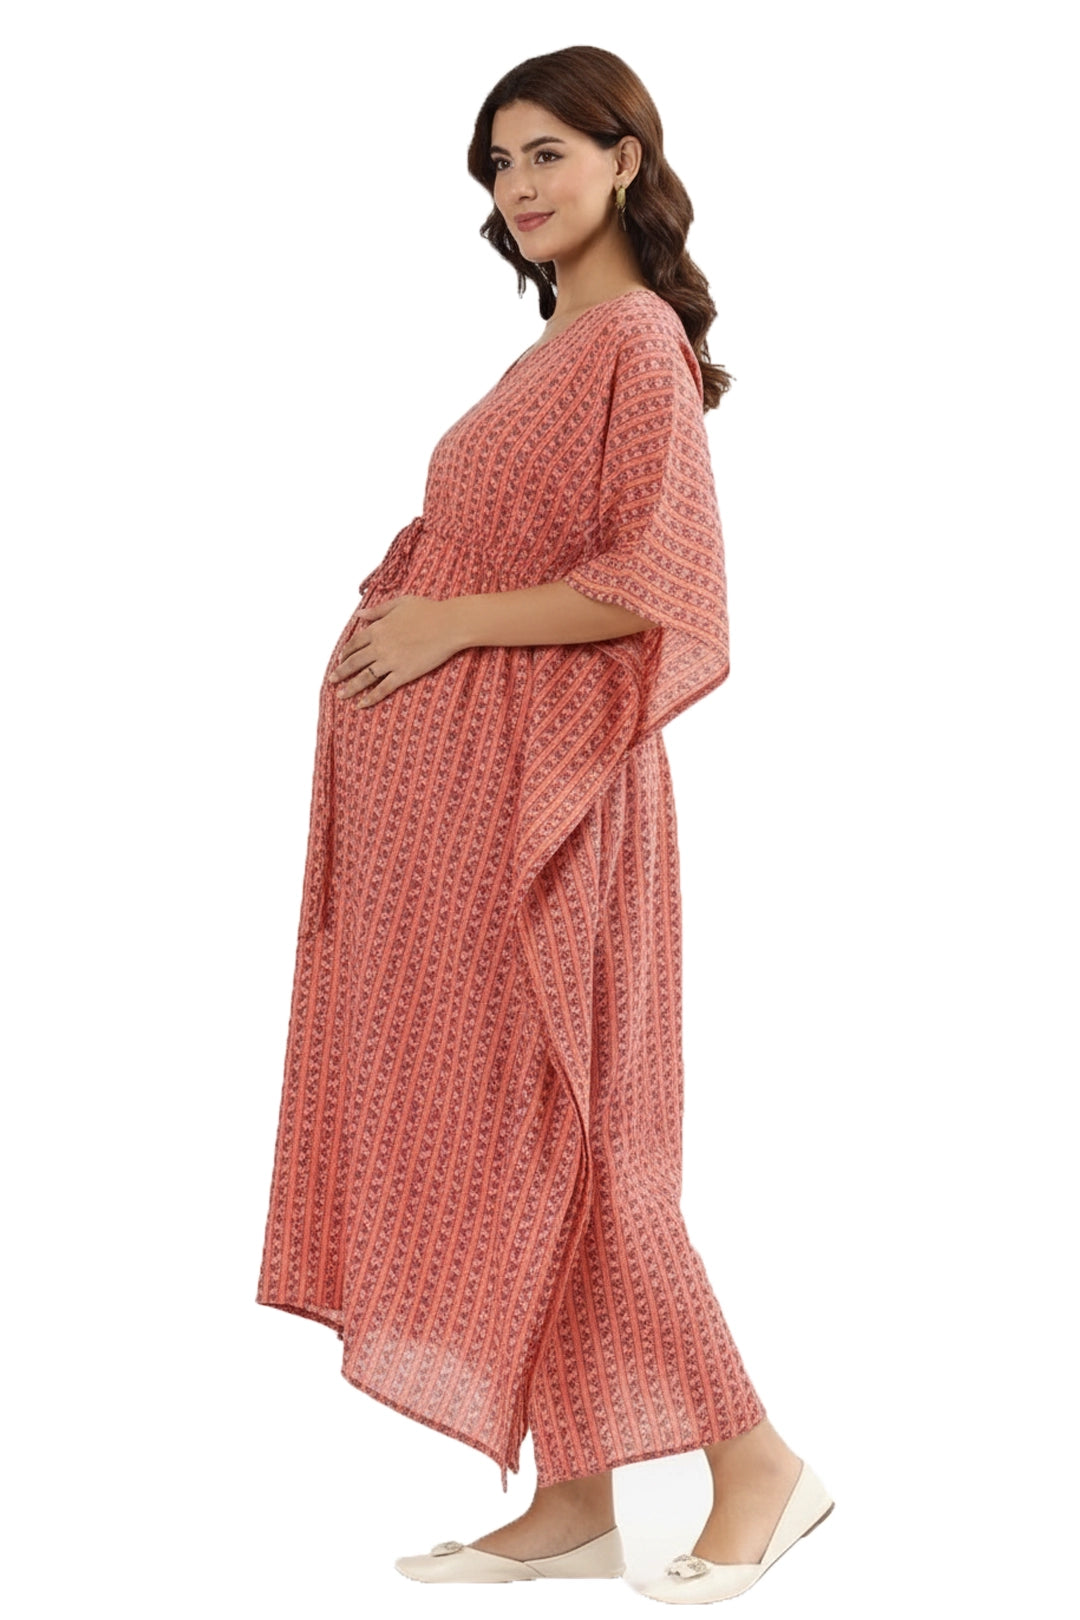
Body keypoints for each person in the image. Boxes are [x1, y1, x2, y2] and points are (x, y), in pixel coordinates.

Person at [255, 45, 834, 1602]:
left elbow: (660, 586)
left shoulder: (634, 342)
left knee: (586, 1133)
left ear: (627, 158)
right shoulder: (553, 351)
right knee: (523, 1139)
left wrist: (443, 625)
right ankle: (575, 1495)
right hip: (461, 819)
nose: (518, 186)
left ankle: (758, 1465)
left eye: (548, 153)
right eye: (498, 164)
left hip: (549, 817)